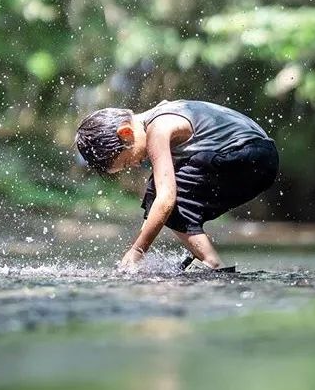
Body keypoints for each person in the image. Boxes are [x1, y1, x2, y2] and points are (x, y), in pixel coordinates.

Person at [75, 99, 279, 270]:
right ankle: (201, 260)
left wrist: (138, 250)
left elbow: (166, 200)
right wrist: (134, 251)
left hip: (249, 154)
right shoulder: (160, 115)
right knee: (156, 193)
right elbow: (156, 204)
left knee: (166, 198)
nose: (135, 165)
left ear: (126, 133)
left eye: (128, 161)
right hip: (260, 158)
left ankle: (212, 264)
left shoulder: (158, 129)